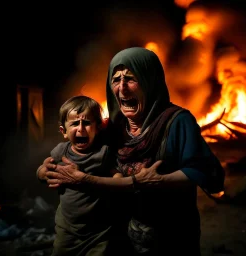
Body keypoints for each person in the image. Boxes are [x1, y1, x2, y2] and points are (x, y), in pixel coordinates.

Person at [38, 47, 225, 255]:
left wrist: (160, 180)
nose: (122, 88)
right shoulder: (112, 127)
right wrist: (49, 168)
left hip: (170, 237)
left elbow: (206, 171)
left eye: (130, 79)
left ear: (150, 81)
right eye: (116, 80)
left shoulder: (178, 122)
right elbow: (81, 152)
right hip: (122, 238)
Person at [37, 95, 125, 256]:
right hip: (67, 230)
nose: (81, 129)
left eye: (86, 123)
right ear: (63, 131)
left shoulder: (102, 153)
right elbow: (44, 168)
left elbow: (117, 175)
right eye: (75, 123)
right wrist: (42, 173)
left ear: (98, 127)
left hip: (98, 233)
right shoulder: (60, 151)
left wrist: (115, 183)